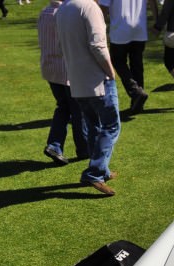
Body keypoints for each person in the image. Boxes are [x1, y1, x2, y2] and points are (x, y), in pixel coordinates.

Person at [56, 0, 120, 196]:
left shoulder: (62, 9)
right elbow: (98, 45)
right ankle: (94, 172)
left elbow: (61, 46)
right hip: (97, 79)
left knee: (94, 126)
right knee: (111, 126)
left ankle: (102, 169)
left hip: (76, 79)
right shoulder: (89, 7)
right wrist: (111, 71)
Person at [38, 0, 89, 165]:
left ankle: (55, 145)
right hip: (66, 69)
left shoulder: (44, 13)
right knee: (77, 109)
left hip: (50, 68)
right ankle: (84, 149)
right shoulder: (65, 13)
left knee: (63, 107)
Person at [99, 0, 150, 114]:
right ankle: (137, 102)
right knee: (137, 65)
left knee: (117, 61)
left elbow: (104, 7)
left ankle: (136, 92)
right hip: (139, 28)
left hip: (120, 29)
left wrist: (99, 26)